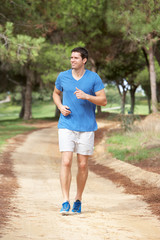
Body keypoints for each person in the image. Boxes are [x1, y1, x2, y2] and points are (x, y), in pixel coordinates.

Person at [53, 47, 107, 215]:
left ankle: (78, 199)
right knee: (66, 161)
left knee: (82, 164)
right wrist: (61, 106)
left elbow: (103, 101)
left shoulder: (93, 78)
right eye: (71, 57)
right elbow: (55, 94)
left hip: (86, 127)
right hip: (66, 124)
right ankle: (64, 201)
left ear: (84, 60)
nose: (72, 60)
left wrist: (87, 96)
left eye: (76, 58)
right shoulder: (63, 76)